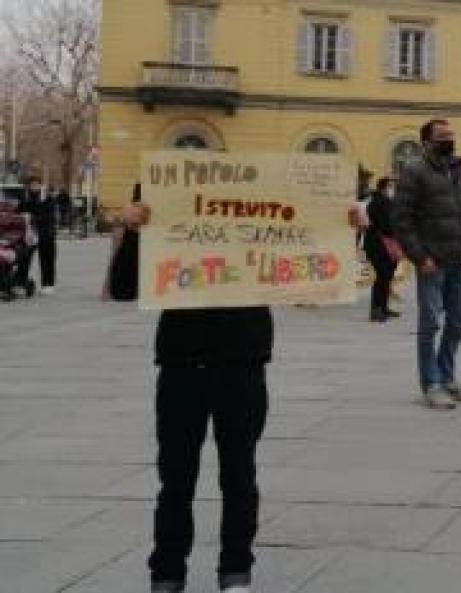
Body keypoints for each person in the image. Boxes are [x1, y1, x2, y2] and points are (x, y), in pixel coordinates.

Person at [124, 196, 363, 593]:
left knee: (239, 473)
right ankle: (167, 571)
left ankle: (235, 569)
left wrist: (346, 232)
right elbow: (123, 287)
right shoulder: (165, 225)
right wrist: (132, 231)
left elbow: (320, 275)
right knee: (175, 477)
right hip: (182, 363)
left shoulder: (260, 233)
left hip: (242, 363)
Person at [392, 119, 461, 410]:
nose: (448, 140)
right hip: (431, 260)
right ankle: (430, 384)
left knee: (459, 318)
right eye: (442, 137)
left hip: (457, 258)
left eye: (451, 135)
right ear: (426, 142)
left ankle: (446, 376)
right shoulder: (414, 171)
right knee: (430, 322)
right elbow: (402, 220)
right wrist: (419, 257)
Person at [364, 177, 402, 322]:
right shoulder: (378, 203)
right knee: (382, 276)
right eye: (390, 186)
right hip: (378, 245)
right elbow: (385, 225)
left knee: (386, 277)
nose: (393, 189)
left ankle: (383, 307)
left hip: (386, 244)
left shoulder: (387, 202)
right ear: (383, 188)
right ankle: (376, 310)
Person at [101, 183, 142, 302]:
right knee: (134, 265)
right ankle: (131, 290)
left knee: (120, 263)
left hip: (127, 238)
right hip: (135, 239)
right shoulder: (143, 207)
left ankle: (117, 290)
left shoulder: (129, 205)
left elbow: (124, 219)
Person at [19, 177, 57, 294]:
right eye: (32, 185)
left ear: (40, 185)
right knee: (24, 257)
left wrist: (33, 218)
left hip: (46, 232)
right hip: (30, 233)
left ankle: (48, 284)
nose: (34, 187)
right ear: (28, 186)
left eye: (36, 184)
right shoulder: (25, 198)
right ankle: (20, 282)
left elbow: (50, 215)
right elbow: (20, 211)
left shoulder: (47, 198)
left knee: (47, 258)